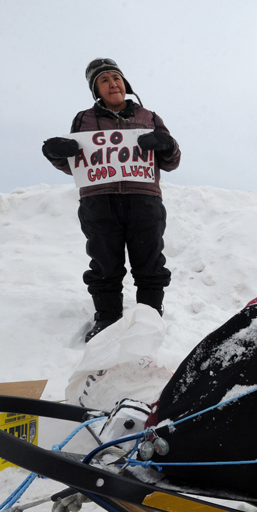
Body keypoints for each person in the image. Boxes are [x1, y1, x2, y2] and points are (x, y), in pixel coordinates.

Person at [41, 58, 181, 341]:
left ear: (125, 83)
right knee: (105, 264)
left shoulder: (149, 117)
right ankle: (107, 320)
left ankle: (149, 318)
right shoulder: (83, 119)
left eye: (115, 77)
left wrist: (166, 144)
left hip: (143, 200)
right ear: (96, 89)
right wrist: (58, 153)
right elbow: (74, 166)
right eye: (103, 80)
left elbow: (172, 161)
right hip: (99, 202)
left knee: (150, 262)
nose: (112, 83)